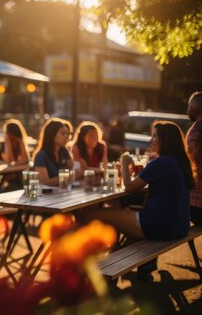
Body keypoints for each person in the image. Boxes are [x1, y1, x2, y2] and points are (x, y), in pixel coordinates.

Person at [83, 121, 193, 244]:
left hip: (160, 226)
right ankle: (116, 251)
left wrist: (125, 162)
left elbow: (128, 187)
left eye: (155, 136)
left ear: (165, 140)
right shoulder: (180, 161)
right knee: (117, 209)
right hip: (179, 226)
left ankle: (78, 255)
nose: (151, 140)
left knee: (89, 213)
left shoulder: (161, 162)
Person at [33, 118, 74, 186]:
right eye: (63, 133)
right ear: (52, 134)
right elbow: (44, 182)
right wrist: (66, 176)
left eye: (67, 134)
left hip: (64, 192)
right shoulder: (41, 155)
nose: (66, 137)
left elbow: (73, 170)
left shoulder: (64, 151)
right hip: (49, 195)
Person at [186, 91, 202, 226]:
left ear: (194, 108)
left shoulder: (196, 131)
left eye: (188, 106)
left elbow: (191, 163)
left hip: (198, 208)